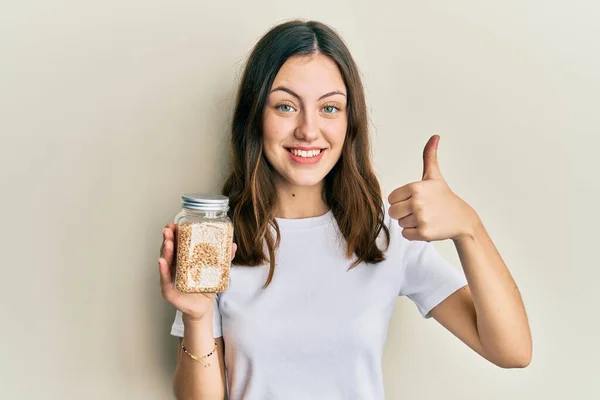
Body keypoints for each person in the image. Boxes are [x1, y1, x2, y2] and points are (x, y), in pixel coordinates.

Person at [158, 20, 532, 400]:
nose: (308, 129)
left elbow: (513, 351)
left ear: (349, 121)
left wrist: (469, 228)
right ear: (256, 115)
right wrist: (197, 316)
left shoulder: (386, 234)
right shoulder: (216, 239)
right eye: (286, 106)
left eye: (329, 108)